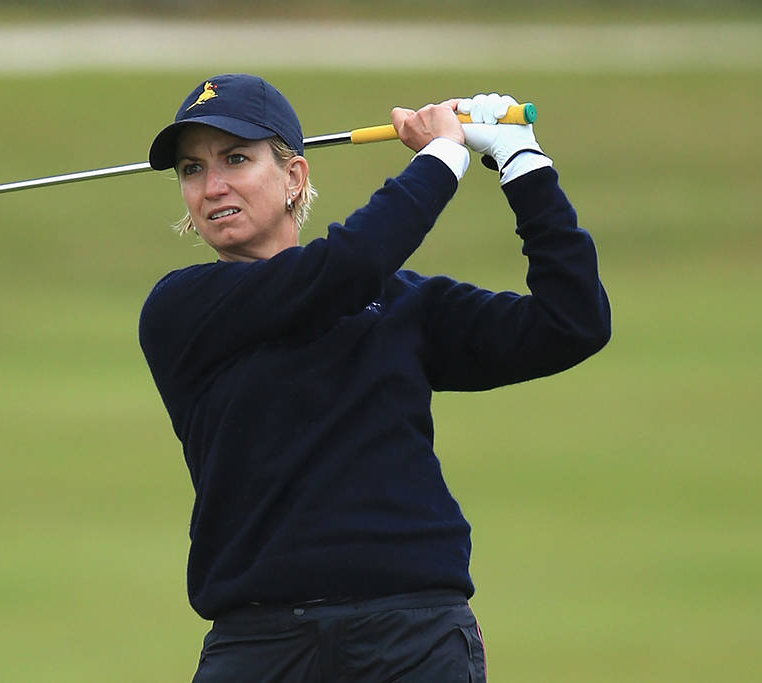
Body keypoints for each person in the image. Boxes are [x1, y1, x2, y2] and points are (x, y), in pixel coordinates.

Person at [139, 73, 610, 682]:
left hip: (411, 636)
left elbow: (571, 323)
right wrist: (443, 156)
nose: (213, 185)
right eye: (191, 169)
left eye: (235, 158)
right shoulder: (183, 309)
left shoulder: (399, 304)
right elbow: (342, 269)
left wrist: (523, 163)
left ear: (294, 177)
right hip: (261, 646)